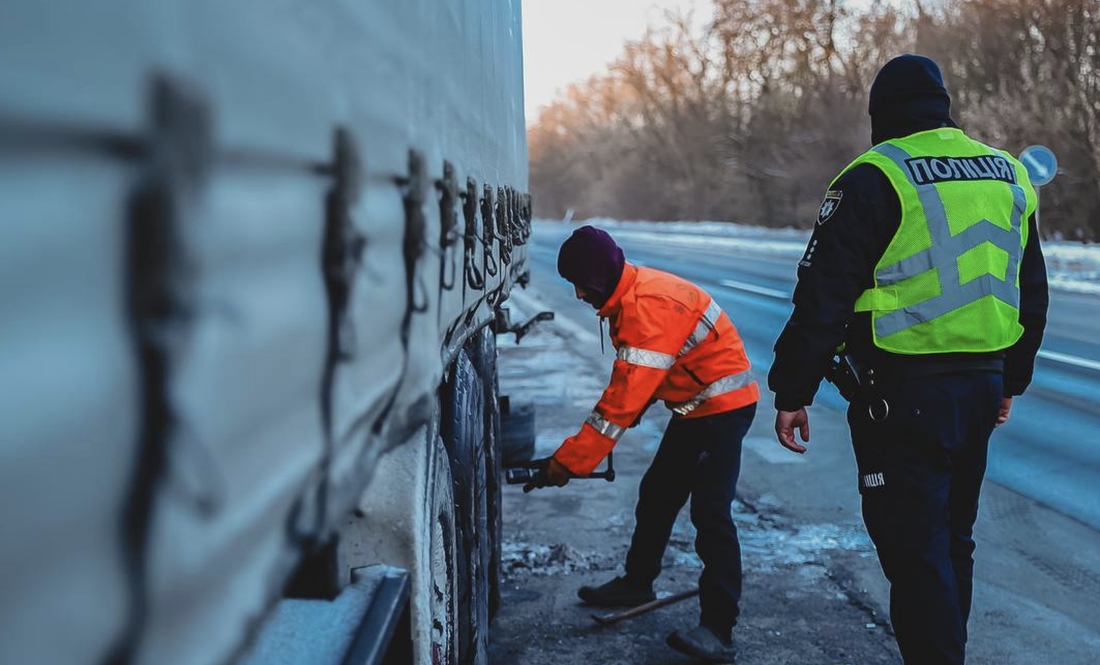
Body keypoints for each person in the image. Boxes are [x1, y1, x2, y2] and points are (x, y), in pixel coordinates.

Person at [769, 54, 1048, 665]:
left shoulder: (874, 176)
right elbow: (1031, 291)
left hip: (901, 396)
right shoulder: (1007, 174)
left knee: (915, 556)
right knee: (953, 544)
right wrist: (1011, 380)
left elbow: (823, 296)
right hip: (979, 390)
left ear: (881, 115)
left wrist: (792, 390)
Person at [525, 225, 759, 663]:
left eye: (578, 284)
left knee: (711, 514)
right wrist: (621, 419)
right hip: (696, 405)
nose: (577, 295)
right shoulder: (628, 297)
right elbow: (643, 382)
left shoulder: (647, 306)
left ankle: (718, 630)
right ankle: (637, 582)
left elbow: (619, 403)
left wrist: (567, 464)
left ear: (596, 278)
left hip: (722, 408)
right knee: (657, 495)